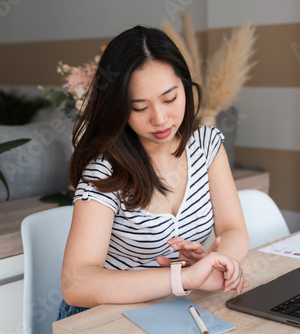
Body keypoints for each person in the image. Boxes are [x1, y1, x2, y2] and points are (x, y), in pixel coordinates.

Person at [58, 25, 250, 320]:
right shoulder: (104, 173)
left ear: (184, 88)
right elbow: (76, 283)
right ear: (118, 108)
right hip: (102, 317)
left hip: (172, 308)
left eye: (170, 99)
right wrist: (183, 278)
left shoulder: (206, 145)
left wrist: (215, 261)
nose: (159, 119)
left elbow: (233, 230)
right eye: (139, 107)